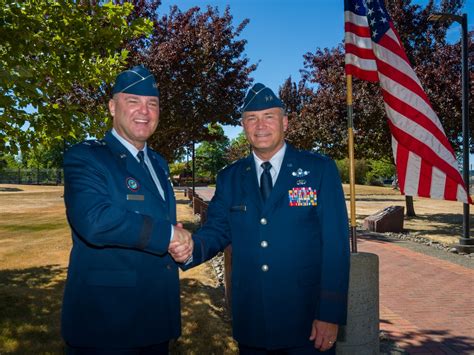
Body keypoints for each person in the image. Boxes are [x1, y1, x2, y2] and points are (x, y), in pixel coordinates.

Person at [170, 83, 350, 354]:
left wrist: (330, 313)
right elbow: (218, 229)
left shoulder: (318, 169)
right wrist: (189, 248)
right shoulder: (230, 177)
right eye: (252, 118)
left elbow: (336, 247)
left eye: (269, 116)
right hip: (252, 319)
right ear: (243, 126)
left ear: (285, 122)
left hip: (307, 319)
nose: (260, 125)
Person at [62, 65, 193, 354]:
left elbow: (159, 219)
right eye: (132, 101)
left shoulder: (158, 162)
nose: (144, 111)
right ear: (112, 106)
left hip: (157, 317)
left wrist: (178, 242)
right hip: (107, 323)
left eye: (152, 104)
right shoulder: (86, 156)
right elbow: (95, 221)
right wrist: (168, 235)